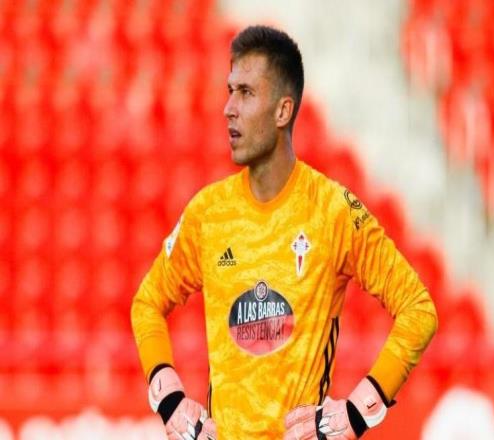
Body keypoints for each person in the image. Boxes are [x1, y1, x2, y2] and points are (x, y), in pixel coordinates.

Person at [131, 25, 438, 440]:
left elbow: (418, 310)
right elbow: (147, 302)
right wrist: (168, 398)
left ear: (283, 111)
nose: (228, 108)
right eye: (229, 91)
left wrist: (359, 410)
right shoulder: (208, 212)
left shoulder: (333, 211)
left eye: (246, 93)